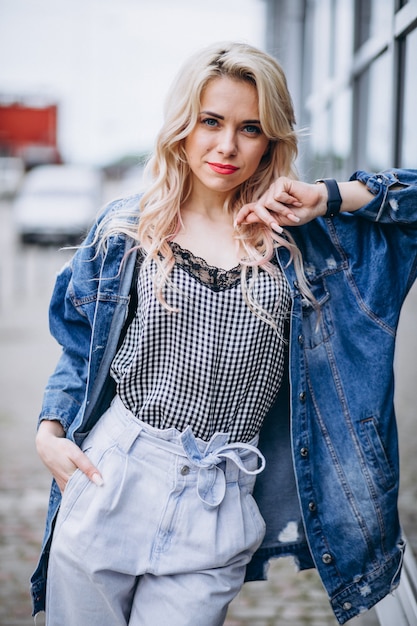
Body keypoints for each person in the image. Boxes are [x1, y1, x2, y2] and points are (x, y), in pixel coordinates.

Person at [30, 40, 417, 626]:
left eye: (251, 128)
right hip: (114, 474)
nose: (227, 145)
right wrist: (49, 431)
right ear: (184, 125)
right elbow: (81, 349)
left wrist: (331, 196)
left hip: (221, 496)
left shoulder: (304, 244)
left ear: (272, 141)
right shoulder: (129, 231)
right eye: (211, 121)